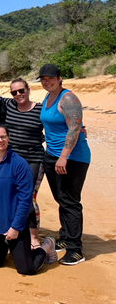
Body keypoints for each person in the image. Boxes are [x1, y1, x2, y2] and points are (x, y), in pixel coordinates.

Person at [0, 123, 57, 275]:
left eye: (3, 136)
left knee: (27, 269)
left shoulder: (19, 164)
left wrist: (15, 228)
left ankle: (47, 246)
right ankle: (6, 246)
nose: (0, 140)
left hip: (14, 226)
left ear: (9, 137)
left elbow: (25, 200)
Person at [38, 64, 91, 265]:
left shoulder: (68, 98)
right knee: (61, 198)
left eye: (50, 78)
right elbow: (55, 125)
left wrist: (64, 157)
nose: (46, 81)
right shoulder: (48, 97)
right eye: (43, 78)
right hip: (52, 155)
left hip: (72, 158)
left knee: (70, 201)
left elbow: (74, 128)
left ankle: (76, 249)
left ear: (60, 78)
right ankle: (66, 236)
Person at [4, 78, 45, 248]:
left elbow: (57, 122)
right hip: (11, 159)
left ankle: (34, 237)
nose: (18, 95)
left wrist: (79, 127)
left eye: (21, 90)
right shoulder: (8, 106)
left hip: (33, 159)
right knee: (10, 195)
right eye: (14, 92)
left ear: (28, 90)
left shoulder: (41, 109)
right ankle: (14, 229)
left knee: (28, 197)